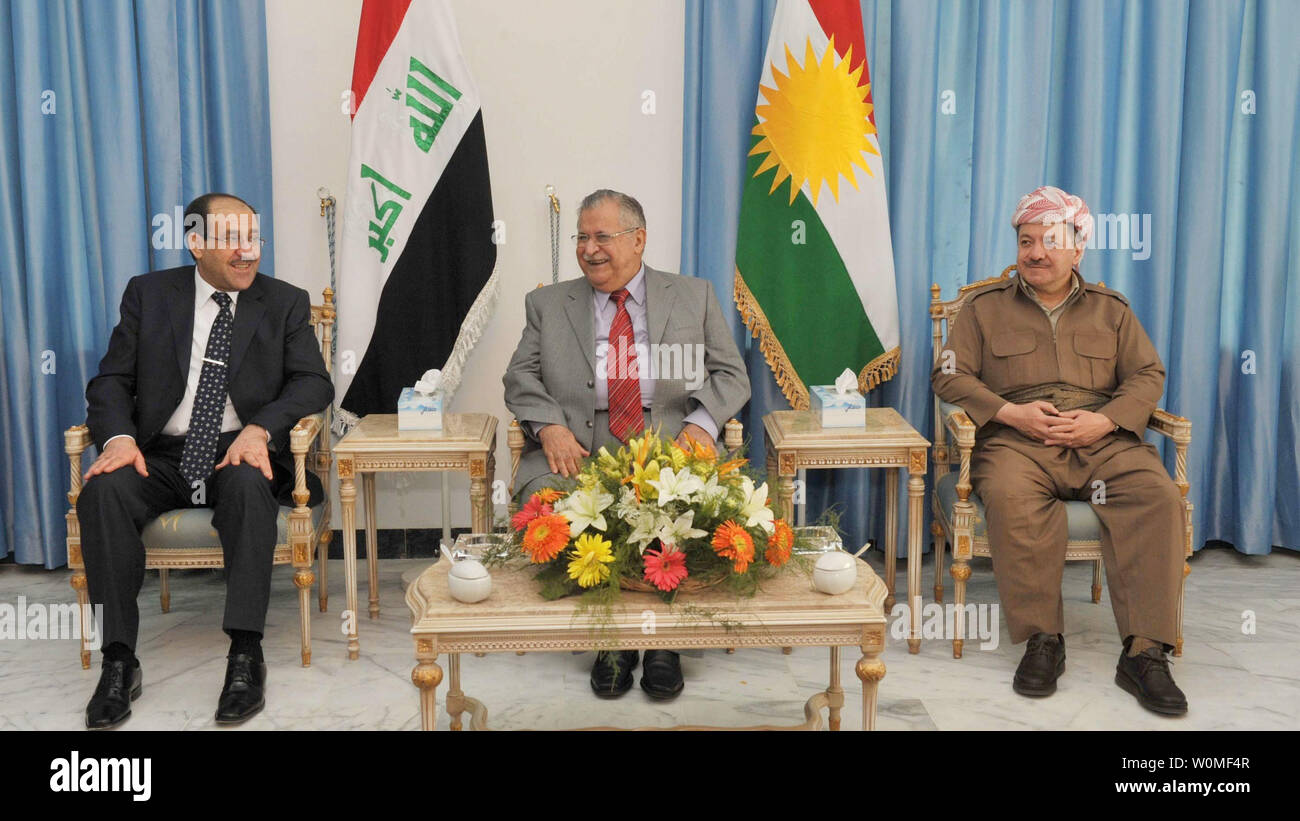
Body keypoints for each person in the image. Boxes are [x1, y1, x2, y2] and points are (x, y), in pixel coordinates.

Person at [78, 193, 334, 728]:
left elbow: (313, 380)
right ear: (196, 243)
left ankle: (245, 656)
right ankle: (118, 660)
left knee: (248, 483)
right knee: (103, 492)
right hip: (161, 455)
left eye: (254, 239)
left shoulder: (284, 301)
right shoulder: (148, 295)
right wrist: (118, 439)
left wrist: (263, 430)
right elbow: (111, 381)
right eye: (232, 241)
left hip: (239, 447)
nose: (249, 254)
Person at [931, 185, 1188, 716]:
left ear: (1077, 248)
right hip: (1019, 443)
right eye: (1026, 241)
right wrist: (1009, 413)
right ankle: (1043, 640)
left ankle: (1145, 652)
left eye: (1049, 240)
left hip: (1102, 440)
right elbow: (948, 375)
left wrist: (1106, 419)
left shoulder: (1112, 310)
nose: (1035, 252)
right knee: (1009, 495)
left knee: (1156, 495)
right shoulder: (983, 310)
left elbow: (1147, 374)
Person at [504, 188, 750, 700]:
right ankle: (610, 639)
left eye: (603, 237)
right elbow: (520, 376)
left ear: (638, 240)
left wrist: (703, 424)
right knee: (555, 501)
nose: (590, 249)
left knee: (691, 507)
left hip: (668, 444)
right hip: (580, 445)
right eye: (582, 237)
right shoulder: (547, 303)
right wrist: (549, 426)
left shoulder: (693, 295)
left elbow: (732, 375)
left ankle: (665, 643)